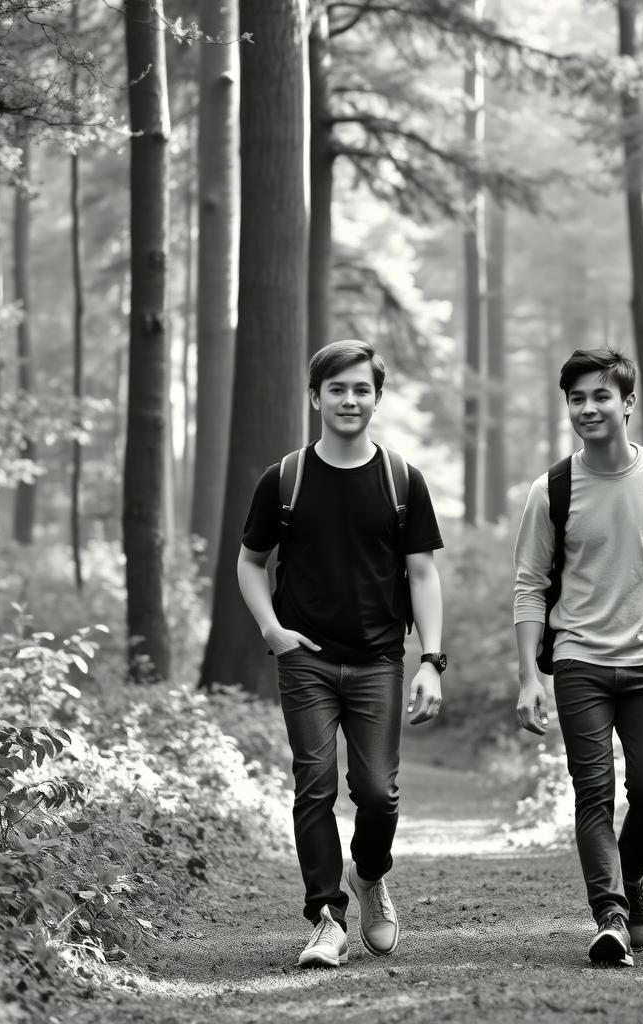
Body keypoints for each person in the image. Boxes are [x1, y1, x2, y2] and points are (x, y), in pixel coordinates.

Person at [237, 339, 447, 969]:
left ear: (377, 399)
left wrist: (431, 661)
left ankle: (371, 874)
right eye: (337, 389)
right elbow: (250, 563)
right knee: (314, 787)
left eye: (361, 389)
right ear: (315, 398)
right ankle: (327, 917)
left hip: (379, 659)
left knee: (378, 794)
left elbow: (423, 574)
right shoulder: (285, 477)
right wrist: (273, 630)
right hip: (304, 658)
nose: (349, 400)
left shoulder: (402, 478)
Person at [513, 347, 643, 968]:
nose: (589, 408)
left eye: (601, 396)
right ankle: (613, 917)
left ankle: (628, 886)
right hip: (578, 662)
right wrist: (528, 677)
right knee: (593, 791)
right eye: (577, 399)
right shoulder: (552, 490)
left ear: (627, 403)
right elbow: (529, 585)